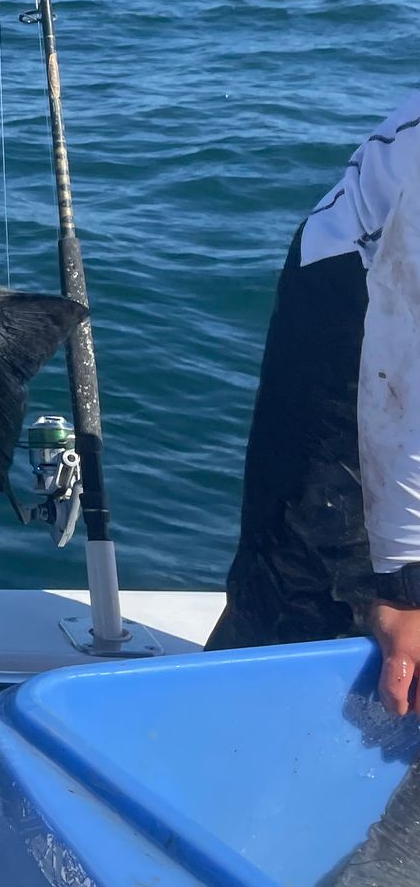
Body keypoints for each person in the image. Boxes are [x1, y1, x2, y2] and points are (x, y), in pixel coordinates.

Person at [208, 90, 420, 716]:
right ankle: (241, 734)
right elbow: (402, 355)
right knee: (314, 578)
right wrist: (406, 587)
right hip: (359, 283)